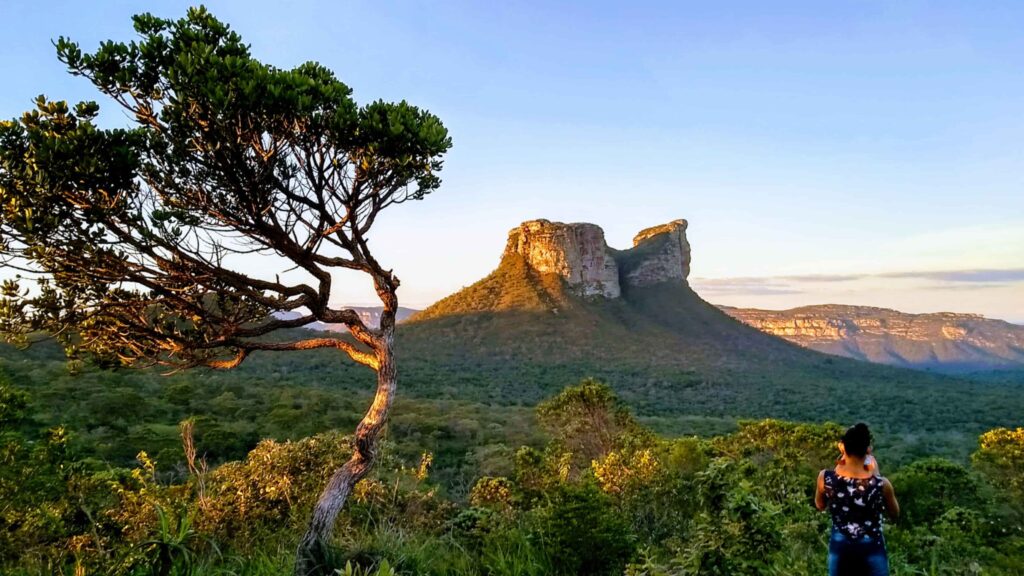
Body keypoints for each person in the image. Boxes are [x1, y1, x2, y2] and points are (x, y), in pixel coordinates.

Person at [815, 422, 900, 576]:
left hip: (840, 546)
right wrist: (877, 475)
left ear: (842, 447)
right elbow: (894, 513)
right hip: (872, 546)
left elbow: (820, 505)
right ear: (868, 449)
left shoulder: (825, 478)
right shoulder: (881, 484)